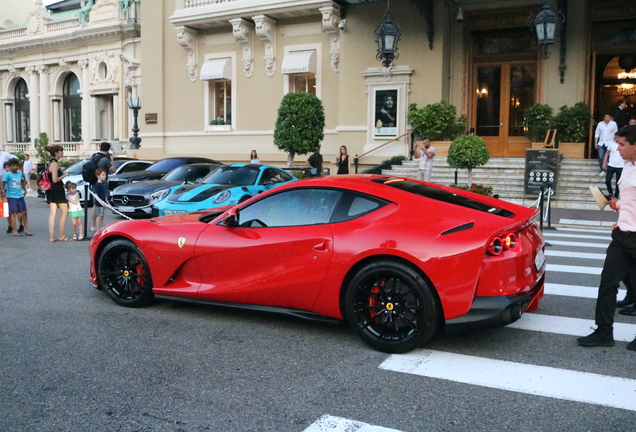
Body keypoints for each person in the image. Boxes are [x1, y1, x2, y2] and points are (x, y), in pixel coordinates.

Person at [577, 124, 636, 352]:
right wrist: (621, 213)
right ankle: (603, 332)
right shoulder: (628, 166)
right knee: (607, 283)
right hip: (622, 236)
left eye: (622, 144)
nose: (617, 148)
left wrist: (622, 207)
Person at [45, 144, 71, 242]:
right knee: (64, 212)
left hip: (52, 190)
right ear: (56, 153)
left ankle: (52, 236)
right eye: (61, 151)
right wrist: (64, 175)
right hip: (57, 190)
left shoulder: (51, 162)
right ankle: (61, 235)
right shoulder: (55, 163)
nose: (62, 153)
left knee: (53, 213)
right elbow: (55, 179)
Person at [1, 158, 31, 237]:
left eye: (16, 165)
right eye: (13, 166)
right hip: (11, 196)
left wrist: (24, 189)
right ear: (10, 167)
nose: (15, 167)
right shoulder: (7, 174)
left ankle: (26, 229)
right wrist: (2, 190)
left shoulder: (20, 173)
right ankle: (14, 230)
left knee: (24, 212)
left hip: (20, 195)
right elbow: (3, 182)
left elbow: (22, 181)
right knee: (13, 213)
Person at [90, 142, 115, 231]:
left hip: (94, 180)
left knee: (95, 204)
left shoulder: (94, 156)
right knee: (101, 203)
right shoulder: (105, 160)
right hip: (102, 182)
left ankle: (93, 225)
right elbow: (113, 169)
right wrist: (112, 159)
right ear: (108, 149)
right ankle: (99, 227)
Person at [0, 149, 18, 233]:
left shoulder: (5, 154)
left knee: (9, 203)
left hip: (6, 177)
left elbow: (15, 158)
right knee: (5, 205)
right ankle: (9, 225)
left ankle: (13, 224)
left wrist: (9, 168)